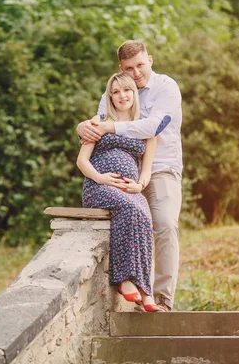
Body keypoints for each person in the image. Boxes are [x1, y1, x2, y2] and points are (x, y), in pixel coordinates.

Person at [77, 40, 182, 312]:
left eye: (139, 65)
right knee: (135, 217)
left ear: (150, 60)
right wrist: (83, 127)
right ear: (120, 68)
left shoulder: (166, 87)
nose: (135, 73)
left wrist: (107, 126)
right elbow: (96, 124)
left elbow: (153, 126)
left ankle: (161, 300)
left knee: (165, 224)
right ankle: (131, 285)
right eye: (128, 68)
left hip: (159, 168)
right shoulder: (115, 88)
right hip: (121, 175)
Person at [77, 72, 160, 312]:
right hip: (99, 186)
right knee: (130, 207)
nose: (122, 96)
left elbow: (146, 170)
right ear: (110, 97)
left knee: (144, 216)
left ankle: (146, 291)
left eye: (126, 90)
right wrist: (100, 178)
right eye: (115, 92)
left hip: (131, 190)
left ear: (135, 93)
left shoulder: (146, 128)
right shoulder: (99, 121)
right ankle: (124, 279)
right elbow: (82, 161)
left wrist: (139, 186)